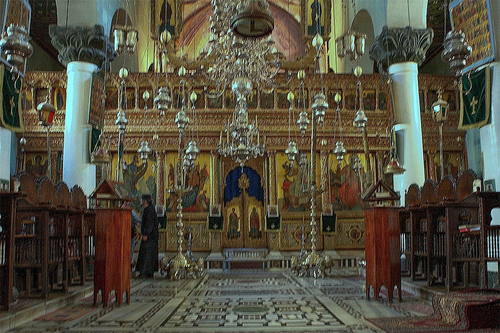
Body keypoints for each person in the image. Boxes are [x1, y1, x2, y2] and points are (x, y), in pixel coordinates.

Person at [135, 194, 159, 278]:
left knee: (146, 254)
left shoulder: (148, 210)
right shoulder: (149, 209)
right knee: (148, 253)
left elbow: (150, 224)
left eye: (142, 200)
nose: (141, 201)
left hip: (149, 236)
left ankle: (144, 272)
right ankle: (149, 272)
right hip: (151, 236)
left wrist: (145, 234)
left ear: (145, 201)